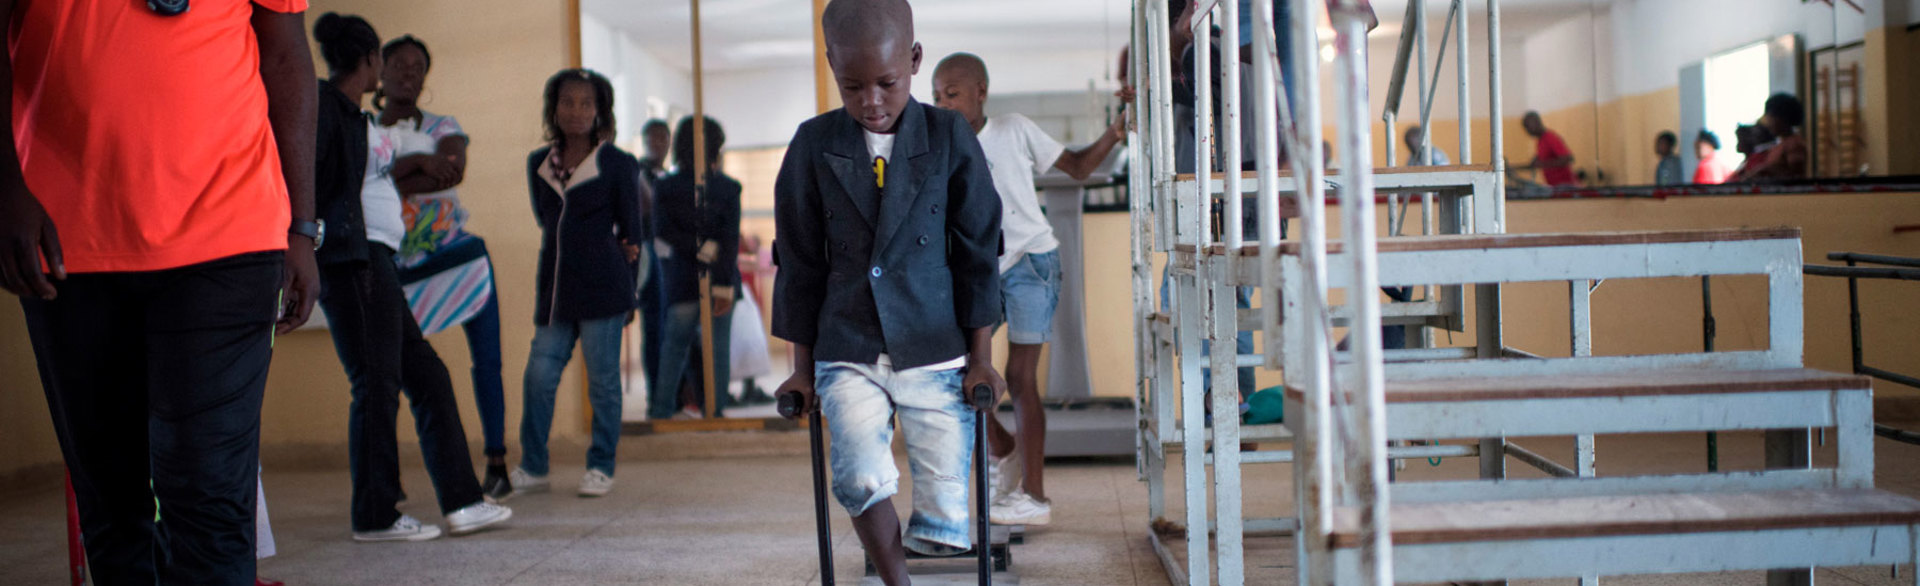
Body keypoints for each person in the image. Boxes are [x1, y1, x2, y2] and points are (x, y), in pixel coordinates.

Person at [4, 0, 317, 581]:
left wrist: (302, 225)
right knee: (111, 503)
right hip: (68, 238)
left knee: (209, 495)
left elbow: (283, 49)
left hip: (229, 232)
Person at [772, 0, 1008, 582]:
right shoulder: (812, 143)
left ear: (914, 60)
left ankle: (923, 545)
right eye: (852, 87)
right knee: (857, 474)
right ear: (830, 66)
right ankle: (895, 580)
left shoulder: (949, 135)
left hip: (935, 343)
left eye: (887, 83)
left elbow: (979, 252)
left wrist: (982, 359)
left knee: (945, 512)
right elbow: (799, 264)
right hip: (847, 341)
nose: (871, 102)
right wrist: (801, 369)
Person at [311, 13, 510, 543]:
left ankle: (463, 503)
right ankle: (376, 514)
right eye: (389, 60)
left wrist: (408, 164)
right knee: (376, 383)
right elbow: (337, 182)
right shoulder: (328, 110)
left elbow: (428, 165)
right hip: (353, 259)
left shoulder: (358, 119)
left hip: (378, 261)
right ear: (371, 60)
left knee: (426, 376)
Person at [931, 52, 1127, 527]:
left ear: (981, 92)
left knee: (1019, 378)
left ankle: (1034, 498)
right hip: (980, 273)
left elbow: (1078, 168)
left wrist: (1116, 132)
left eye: (951, 94)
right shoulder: (937, 146)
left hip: (1032, 262)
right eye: (936, 96)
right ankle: (1002, 447)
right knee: (946, 369)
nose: (942, 103)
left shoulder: (1013, 129)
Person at [375, 34, 513, 500]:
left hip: (459, 258)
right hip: (399, 267)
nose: (408, 74)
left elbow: (454, 169)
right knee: (390, 374)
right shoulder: (366, 128)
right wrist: (418, 161)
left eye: (417, 67)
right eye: (399, 64)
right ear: (381, 69)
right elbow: (363, 179)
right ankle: (389, 483)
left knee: (487, 361)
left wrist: (391, 174)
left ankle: (497, 462)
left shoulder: (444, 123)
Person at [513, 69, 645, 498]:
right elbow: (545, 220)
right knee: (539, 376)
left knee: (603, 381)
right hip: (554, 289)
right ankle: (533, 467)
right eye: (567, 102)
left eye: (586, 103)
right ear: (554, 108)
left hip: (604, 287)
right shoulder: (538, 163)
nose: (576, 111)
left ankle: (601, 465)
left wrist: (629, 294)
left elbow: (632, 233)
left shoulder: (618, 163)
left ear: (599, 110)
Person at [651, 115, 742, 420]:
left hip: (687, 275)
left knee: (675, 349)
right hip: (713, 276)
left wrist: (696, 248)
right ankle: (713, 412)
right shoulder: (727, 188)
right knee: (713, 349)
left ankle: (662, 410)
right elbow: (727, 240)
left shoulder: (668, 186)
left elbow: (664, 229)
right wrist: (711, 258)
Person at [1731, 93, 1808, 183]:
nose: (1768, 122)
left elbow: (1796, 178)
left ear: (1782, 118)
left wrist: (1764, 170)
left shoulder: (1794, 144)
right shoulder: (1781, 144)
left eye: (1770, 117)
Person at [1518, 111, 1576, 187]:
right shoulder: (1540, 141)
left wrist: (1542, 164)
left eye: (1527, 126)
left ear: (1536, 122)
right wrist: (1506, 169)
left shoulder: (1550, 137)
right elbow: (1534, 164)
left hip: (1566, 187)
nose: (1527, 130)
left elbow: (1568, 158)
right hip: (1554, 187)